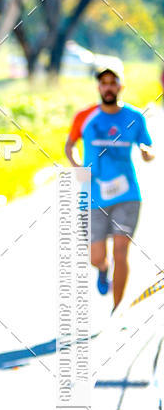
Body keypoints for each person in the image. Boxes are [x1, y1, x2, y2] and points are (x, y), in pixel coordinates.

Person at [65, 66, 155, 310]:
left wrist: (147, 153)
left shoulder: (135, 117)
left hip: (127, 194)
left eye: (113, 83)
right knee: (96, 257)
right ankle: (102, 270)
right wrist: (76, 165)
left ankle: (117, 311)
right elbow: (69, 145)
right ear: (98, 87)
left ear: (120, 86)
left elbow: (148, 147)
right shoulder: (85, 116)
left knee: (121, 250)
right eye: (103, 83)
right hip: (93, 194)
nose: (108, 87)